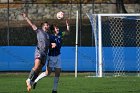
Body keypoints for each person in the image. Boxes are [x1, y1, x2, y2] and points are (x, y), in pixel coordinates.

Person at [32, 19, 70, 93]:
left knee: (58, 73)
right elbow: (46, 44)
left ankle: (54, 90)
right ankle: (35, 81)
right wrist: (51, 45)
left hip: (58, 56)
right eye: (56, 28)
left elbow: (67, 32)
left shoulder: (60, 35)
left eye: (58, 28)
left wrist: (68, 25)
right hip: (51, 57)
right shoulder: (50, 37)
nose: (58, 29)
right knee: (47, 73)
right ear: (53, 30)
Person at [21, 13, 51, 92]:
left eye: (48, 25)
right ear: (43, 26)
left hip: (45, 54)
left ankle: (31, 82)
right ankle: (28, 79)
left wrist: (52, 45)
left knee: (39, 69)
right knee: (36, 66)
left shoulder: (48, 35)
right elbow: (31, 24)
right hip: (39, 51)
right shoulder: (39, 31)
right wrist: (26, 17)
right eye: (47, 25)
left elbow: (48, 45)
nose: (48, 26)